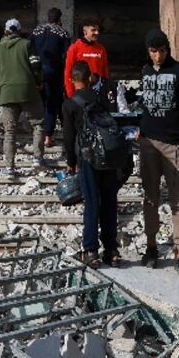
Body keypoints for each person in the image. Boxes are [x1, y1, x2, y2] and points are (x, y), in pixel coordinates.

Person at [136, 29, 179, 276]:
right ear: (148, 52)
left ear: (168, 49)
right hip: (149, 143)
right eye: (153, 51)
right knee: (150, 198)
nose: (158, 56)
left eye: (161, 51)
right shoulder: (146, 71)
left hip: (175, 144)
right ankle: (151, 246)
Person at [62, 60, 130, 268]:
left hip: (87, 158)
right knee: (109, 201)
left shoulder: (69, 104)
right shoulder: (101, 98)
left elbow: (68, 136)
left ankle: (90, 250)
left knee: (92, 202)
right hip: (109, 156)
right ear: (90, 78)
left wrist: (70, 163)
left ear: (73, 80)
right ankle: (111, 249)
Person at [0, 18, 46, 174]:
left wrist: (5, 80)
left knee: (9, 131)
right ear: (19, 30)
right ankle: (37, 158)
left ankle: (9, 166)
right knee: (38, 124)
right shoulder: (27, 44)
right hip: (28, 90)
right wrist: (39, 82)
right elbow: (36, 65)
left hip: (7, 92)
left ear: (6, 31)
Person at [31, 7, 71, 152]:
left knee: (40, 103)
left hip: (37, 72)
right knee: (52, 104)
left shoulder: (36, 31)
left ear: (47, 17)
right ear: (59, 19)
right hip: (55, 73)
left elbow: (31, 51)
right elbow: (67, 56)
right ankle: (48, 136)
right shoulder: (63, 33)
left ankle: (38, 133)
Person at [63, 16, 109, 99]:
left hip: (97, 92)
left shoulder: (101, 49)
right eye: (93, 30)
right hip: (80, 93)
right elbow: (68, 72)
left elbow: (105, 72)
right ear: (85, 32)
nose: (97, 33)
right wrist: (70, 93)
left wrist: (106, 89)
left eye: (98, 30)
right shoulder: (74, 48)